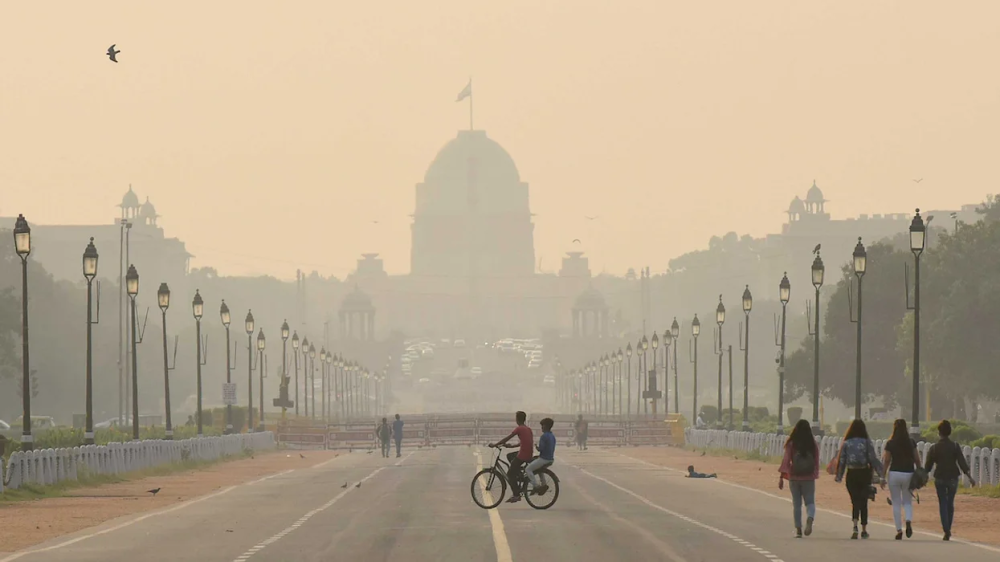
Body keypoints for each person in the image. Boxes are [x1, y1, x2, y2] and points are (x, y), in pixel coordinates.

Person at [924, 419, 976, 541]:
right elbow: (962, 463)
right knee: (950, 503)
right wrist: (970, 478)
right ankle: (948, 528)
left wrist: (923, 478)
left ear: (939, 432)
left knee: (942, 503)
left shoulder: (934, 448)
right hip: (953, 477)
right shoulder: (955, 446)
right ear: (949, 432)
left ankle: (946, 529)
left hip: (940, 477)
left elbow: (928, 467)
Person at [836, 419, 884, 540]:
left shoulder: (847, 443)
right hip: (864, 474)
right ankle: (864, 529)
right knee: (864, 501)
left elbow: (842, 460)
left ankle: (855, 526)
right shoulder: (867, 442)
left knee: (855, 501)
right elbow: (873, 459)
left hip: (851, 473)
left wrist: (839, 476)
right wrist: (881, 474)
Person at [779, 419, 820, 538]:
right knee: (810, 502)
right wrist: (814, 474)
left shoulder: (792, 443)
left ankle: (798, 530)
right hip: (808, 477)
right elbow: (816, 461)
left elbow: (786, 461)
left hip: (794, 477)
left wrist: (782, 476)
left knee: (797, 504)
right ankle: (810, 517)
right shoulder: (812, 444)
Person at [881, 418, 921, 540]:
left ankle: (899, 530)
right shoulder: (911, 442)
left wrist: (883, 475)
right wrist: (919, 470)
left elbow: (887, 460)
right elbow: (917, 459)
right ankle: (908, 520)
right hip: (908, 473)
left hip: (894, 474)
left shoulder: (890, 443)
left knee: (896, 503)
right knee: (908, 502)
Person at [488, 411, 534, 503]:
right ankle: (518, 473)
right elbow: (524, 442)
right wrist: (511, 446)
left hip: (523, 454)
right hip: (528, 453)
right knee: (509, 455)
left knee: (509, 475)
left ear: (517, 419)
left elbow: (507, 438)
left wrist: (495, 444)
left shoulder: (519, 429)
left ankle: (516, 494)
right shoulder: (528, 429)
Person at [525, 417, 555, 495]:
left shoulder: (544, 436)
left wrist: (536, 447)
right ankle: (544, 484)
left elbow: (540, 449)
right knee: (539, 470)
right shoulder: (552, 436)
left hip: (544, 459)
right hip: (550, 459)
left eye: (542, 426)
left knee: (528, 469)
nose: (541, 427)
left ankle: (536, 486)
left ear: (545, 426)